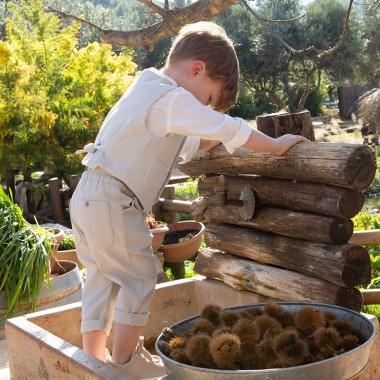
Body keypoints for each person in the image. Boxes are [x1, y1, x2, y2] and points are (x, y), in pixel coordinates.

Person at [69, 21, 309, 379]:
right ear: (197, 70)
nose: (206, 108)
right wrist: (274, 145)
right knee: (137, 279)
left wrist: (213, 129)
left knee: (104, 281)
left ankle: (93, 364)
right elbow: (224, 128)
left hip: (88, 196)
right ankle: (123, 365)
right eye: (209, 98)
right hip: (114, 200)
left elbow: (195, 140)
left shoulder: (147, 89)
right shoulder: (171, 97)